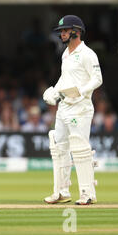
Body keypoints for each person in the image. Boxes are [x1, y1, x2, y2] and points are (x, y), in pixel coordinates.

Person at [42, 15, 103, 205]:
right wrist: (54, 91)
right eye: (61, 31)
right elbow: (65, 79)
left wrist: (81, 92)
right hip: (64, 108)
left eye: (65, 31)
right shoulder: (65, 53)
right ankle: (61, 191)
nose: (62, 34)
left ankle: (87, 193)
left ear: (76, 31)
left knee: (80, 148)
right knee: (59, 146)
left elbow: (97, 78)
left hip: (80, 109)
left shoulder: (87, 53)